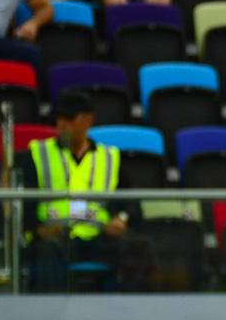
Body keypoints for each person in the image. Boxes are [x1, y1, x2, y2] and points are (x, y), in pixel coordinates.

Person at [21, 90, 143, 292]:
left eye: (69, 119)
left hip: (99, 237)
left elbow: (129, 203)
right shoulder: (37, 154)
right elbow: (23, 202)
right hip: (56, 238)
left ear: (88, 121)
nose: (62, 125)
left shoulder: (109, 157)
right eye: (59, 119)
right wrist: (38, 229)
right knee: (46, 250)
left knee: (138, 246)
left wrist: (120, 219)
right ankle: (49, 318)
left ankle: (132, 316)